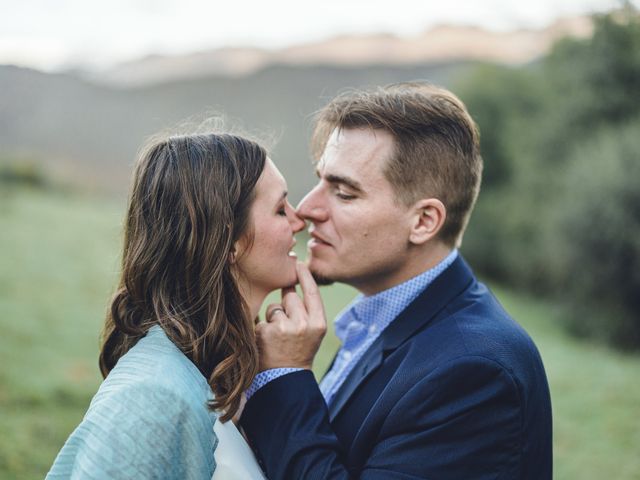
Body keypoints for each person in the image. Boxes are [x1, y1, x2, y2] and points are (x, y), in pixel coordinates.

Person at [240, 82, 553, 479]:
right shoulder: (386, 320)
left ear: (423, 222)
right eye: (321, 180)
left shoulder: (473, 371)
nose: (307, 208)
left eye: (344, 193)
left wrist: (284, 375)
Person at [46, 132, 306, 479]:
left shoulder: (221, 375)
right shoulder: (151, 398)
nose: (299, 222)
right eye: (279, 209)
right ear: (229, 241)